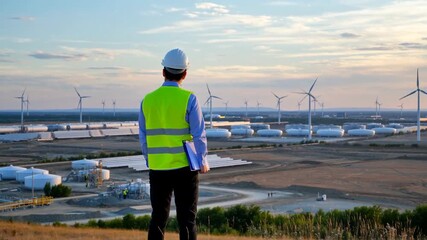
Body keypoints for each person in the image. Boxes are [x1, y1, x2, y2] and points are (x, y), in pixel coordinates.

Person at [139, 48, 209, 240]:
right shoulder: (190, 99)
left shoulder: (147, 101)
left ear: (163, 71)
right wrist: (202, 160)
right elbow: (199, 134)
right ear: (185, 74)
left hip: (157, 168)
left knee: (158, 218)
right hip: (185, 167)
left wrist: (150, 160)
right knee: (187, 221)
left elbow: (143, 138)